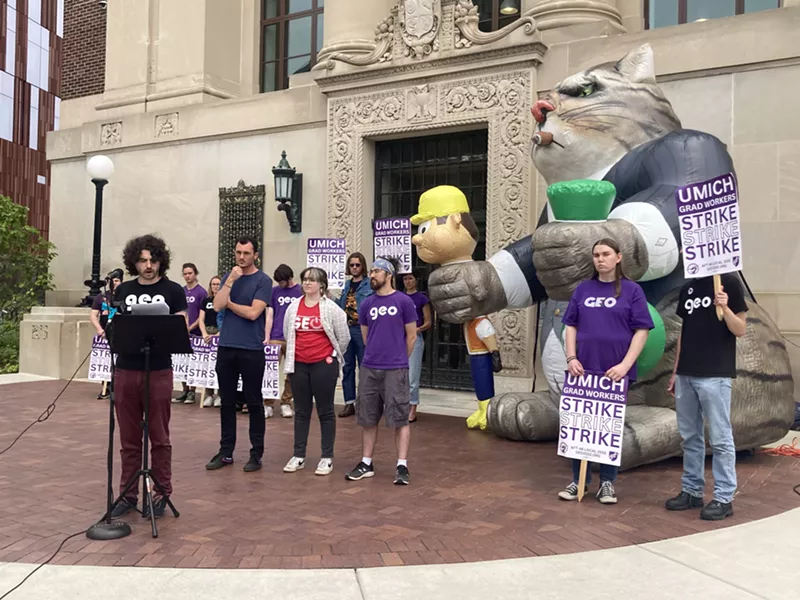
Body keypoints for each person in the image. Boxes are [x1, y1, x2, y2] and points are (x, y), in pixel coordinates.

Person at [559, 238, 654, 505]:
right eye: (596, 255)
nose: (600, 259)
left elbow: (642, 330)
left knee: (607, 428)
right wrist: (571, 357)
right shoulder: (583, 290)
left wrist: (625, 365)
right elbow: (571, 325)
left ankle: (607, 483)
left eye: (606, 254)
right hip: (583, 371)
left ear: (618, 257)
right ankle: (578, 481)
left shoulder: (632, 291)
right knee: (580, 425)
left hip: (614, 373)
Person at [110, 235, 187, 518]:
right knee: (129, 439)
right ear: (134, 262)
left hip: (158, 370)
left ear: (160, 261)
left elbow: (180, 326)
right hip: (126, 369)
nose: (148, 266)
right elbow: (112, 329)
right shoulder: (123, 291)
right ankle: (128, 494)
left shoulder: (174, 290)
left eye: (153, 260)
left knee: (159, 436)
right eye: (142, 260)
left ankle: (160, 493)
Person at [665, 272, 748, 521]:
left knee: (721, 438)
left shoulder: (728, 282)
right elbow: (684, 333)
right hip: (686, 374)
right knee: (690, 436)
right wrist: (676, 370)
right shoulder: (687, 288)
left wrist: (725, 307)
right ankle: (692, 490)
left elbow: (740, 329)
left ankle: (724, 497)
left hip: (715, 374)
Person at [345, 258, 417, 486]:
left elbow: (412, 336)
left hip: (395, 368)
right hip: (369, 367)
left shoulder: (403, 301)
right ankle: (366, 462)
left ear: (389, 275)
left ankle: (402, 465)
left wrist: (399, 358)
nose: (372, 274)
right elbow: (366, 335)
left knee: (399, 416)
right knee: (368, 416)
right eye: (373, 270)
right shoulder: (366, 304)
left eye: (377, 271)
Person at [205, 237, 272, 473]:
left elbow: (254, 313)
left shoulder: (263, 280)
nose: (241, 257)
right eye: (238, 252)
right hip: (227, 347)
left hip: (251, 349)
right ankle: (225, 452)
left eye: (246, 253)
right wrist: (230, 281)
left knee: (254, 402)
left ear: (255, 255)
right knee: (227, 402)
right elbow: (217, 305)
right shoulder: (228, 277)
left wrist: (232, 305)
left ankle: (256, 453)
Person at [281, 267, 350, 476]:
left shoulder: (332, 309)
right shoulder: (293, 307)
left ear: (322, 284)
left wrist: (331, 356)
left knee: (325, 411)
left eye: (312, 280)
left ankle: (326, 457)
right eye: (305, 279)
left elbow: (343, 337)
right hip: (299, 365)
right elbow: (287, 333)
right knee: (301, 411)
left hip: (323, 364)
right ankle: (298, 455)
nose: (308, 283)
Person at [335, 252, 373, 418]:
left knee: (365, 367)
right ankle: (349, 403)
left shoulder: (369, 285)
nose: (355, 268)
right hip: (346, 329)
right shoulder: (346, 285)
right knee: (347, 367)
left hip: (361, 329)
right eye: (352, 265)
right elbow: (339, 306)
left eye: (357, 265)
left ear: (362, 266)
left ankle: (365, 402)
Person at [264, 264, 304, 419]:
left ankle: (286, 402)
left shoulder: (300, 291)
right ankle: (268, 403)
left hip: (294, 337)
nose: (280, 284)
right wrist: (267, 336)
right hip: (275, 336)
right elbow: (270, 314)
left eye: (282, 282)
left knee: (292, 372)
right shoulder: (274, 291)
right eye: (278, 282)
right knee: (270, 371)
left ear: (289, 279)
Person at [174, 263, 207, 404]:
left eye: (190, 273)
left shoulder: (201, 292)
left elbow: (202, 314)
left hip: (196, 332)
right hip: (182, 333)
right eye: (185, 274)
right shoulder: (181, 291)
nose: (188, 276)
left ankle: (192, 391)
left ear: (195, 274)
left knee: (194, 363)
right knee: (182, 362)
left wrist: (190, 327)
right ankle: (185, 389)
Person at [402, 271, 431, 423]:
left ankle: (413, 407)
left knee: (413, 375)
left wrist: (417, 329)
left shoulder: (421, 298)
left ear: (415, 280)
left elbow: (428, 322)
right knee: (401, 374)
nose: (408, 281)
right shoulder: (399, 297)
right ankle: (403, 405)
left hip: (415, 337)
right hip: (400, 338)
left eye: (410, 278)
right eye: (405, 279)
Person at [89, 271, 123, 400]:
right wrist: (99, 329)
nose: (114, 283)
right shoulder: (102, 296)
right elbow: (93, 315)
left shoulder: (124, 296)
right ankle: (106, 387)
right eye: (112, 281)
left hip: (121, 332)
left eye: (117, 280)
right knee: (105, 361)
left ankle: (117, 387)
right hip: (105, 332)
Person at [199, 275, 222, 407]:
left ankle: (219, 394)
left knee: (219, 365)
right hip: (207, 333)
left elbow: (225, 319)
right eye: (213, 284)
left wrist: (219, 334)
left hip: (219, 333)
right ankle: (208, 394)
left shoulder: (225, 300)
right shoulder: (206, 300)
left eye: (218, 284)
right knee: (207, 366)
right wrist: (204, 333)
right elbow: (201, 319)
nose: (215, 286)